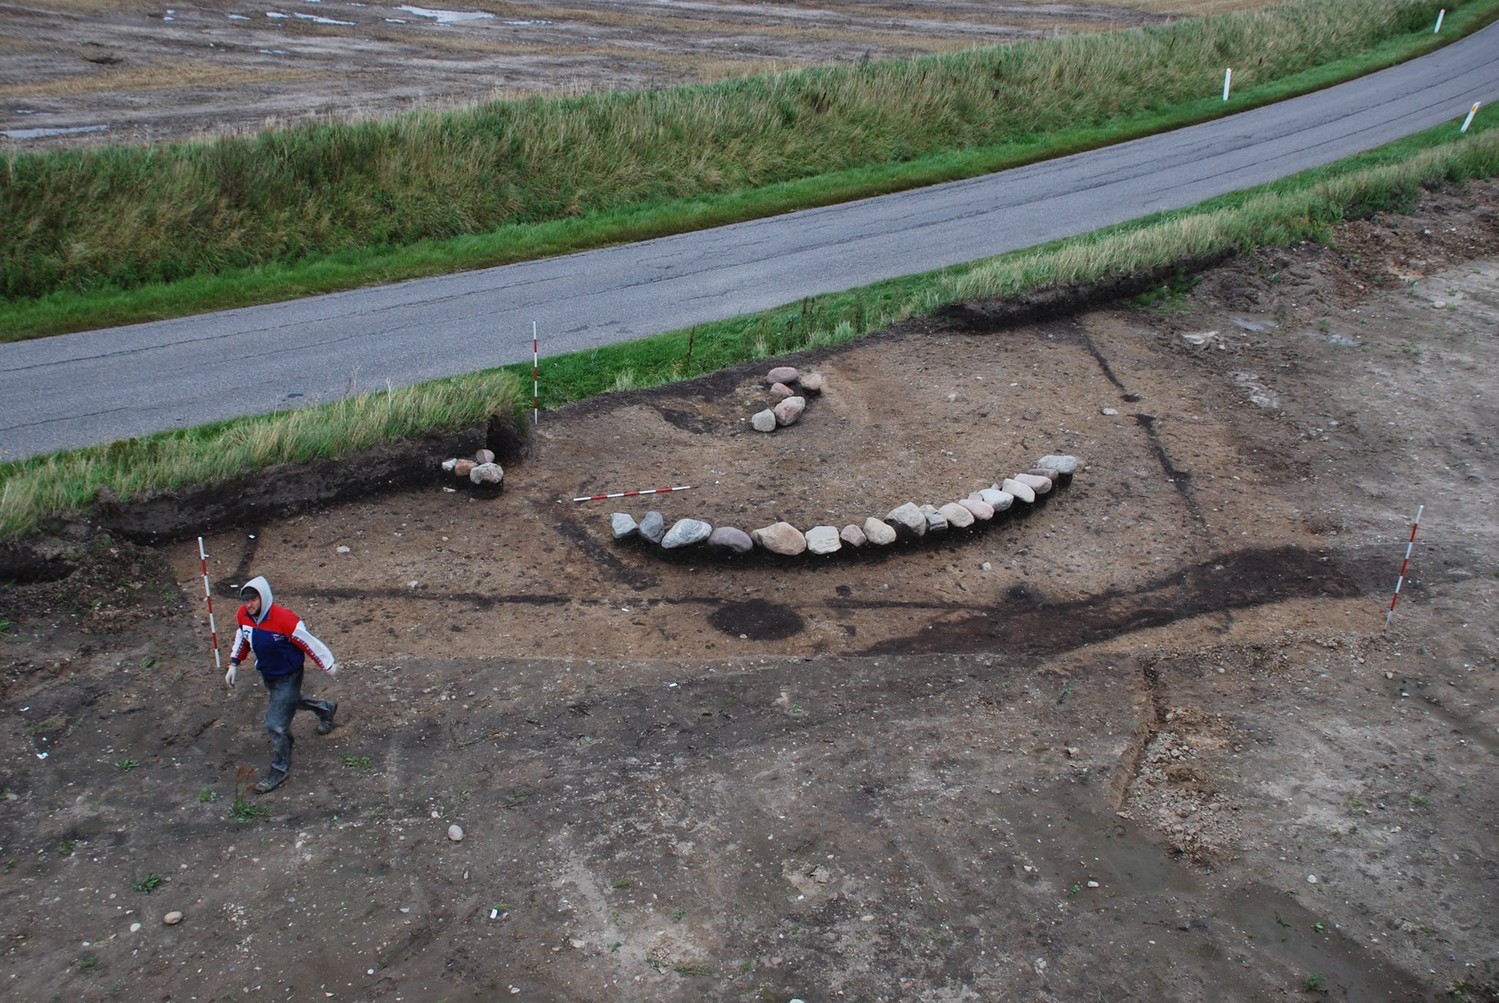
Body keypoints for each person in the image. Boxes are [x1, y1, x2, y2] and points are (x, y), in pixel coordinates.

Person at [226, 575, 339, 794]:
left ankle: (280, 769)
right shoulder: (244, 616)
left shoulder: (285, 620)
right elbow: (243, 637)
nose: (249, 605)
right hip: (269, 674)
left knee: (276, 725)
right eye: (245, 600)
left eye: (253, 599)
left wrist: (327, 664)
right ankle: (326, 709)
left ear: (264, 598)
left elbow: (308, 641)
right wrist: (234, 663)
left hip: (289, 675)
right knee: (289, 701)